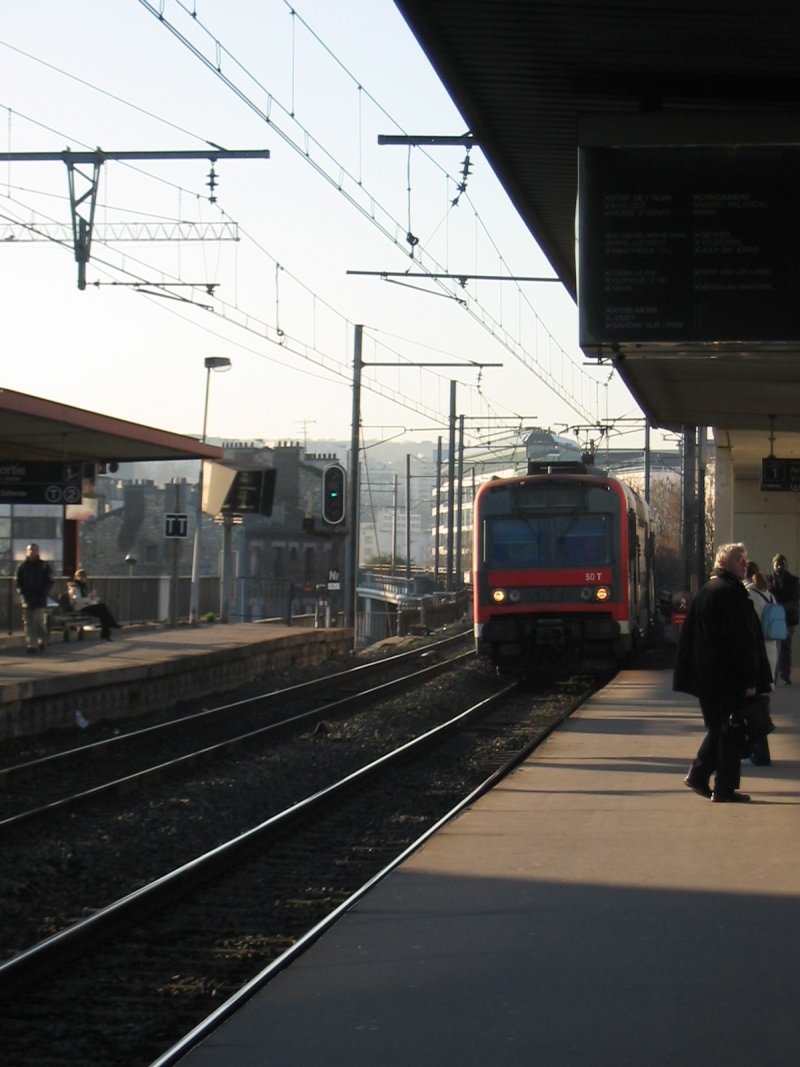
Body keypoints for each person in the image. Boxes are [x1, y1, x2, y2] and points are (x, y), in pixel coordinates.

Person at [674, 542, 772, 802]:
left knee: (721, 728)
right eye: (739, 559)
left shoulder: (708, 591)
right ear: (724, 563)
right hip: (728, 678)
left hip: (709, 677)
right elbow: (741, 641)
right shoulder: (730, 593)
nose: (745, 563)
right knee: (731, 731)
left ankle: (700, 776)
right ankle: (722, 788)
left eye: (745, 559)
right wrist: (750, 680)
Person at [743, 561, 775, 765]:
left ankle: (759, 752)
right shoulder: (768, 593)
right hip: (771, 651)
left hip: (757, 653)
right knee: (761, 703)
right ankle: (757, 750)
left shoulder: (749, 594)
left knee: (754, 708)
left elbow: (748, 626)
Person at [15, 542, 53, 654]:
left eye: (34, 549)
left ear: (38, 552)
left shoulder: (43, 565)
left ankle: (43, 639)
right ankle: (32, 644)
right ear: (27, 551)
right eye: (30, 549)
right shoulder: (22, 566)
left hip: (39, 597)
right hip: (27, 597)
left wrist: (43, 592)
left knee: (38, 621)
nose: (32, 551)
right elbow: (18, 581)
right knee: (28, 622)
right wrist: (22, 592)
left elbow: (49, 581)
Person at [767, 554, 800, 684]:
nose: (779, 567)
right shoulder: (768, 580)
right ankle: (773, 676)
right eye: (777, 564)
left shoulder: (793, 581)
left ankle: (784, 674)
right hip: (774, 618)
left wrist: (782, 607)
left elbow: (795, 599)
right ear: (773, 565)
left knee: (786, 647)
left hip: (788, 617)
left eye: (782, 564)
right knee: (774, 647)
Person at [68, 568, 121, 641]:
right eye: (81, 577)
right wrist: (90, 598)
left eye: (84, 577)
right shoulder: (75, 587)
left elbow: (86, 599)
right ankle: (111, 625)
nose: (83, 578)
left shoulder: (82, 587)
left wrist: (93, 598)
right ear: (77, 577)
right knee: (103, 608)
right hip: (80, 608)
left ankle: (106, 634)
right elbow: (78, 601)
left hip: (85, 606)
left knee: (103, 613)